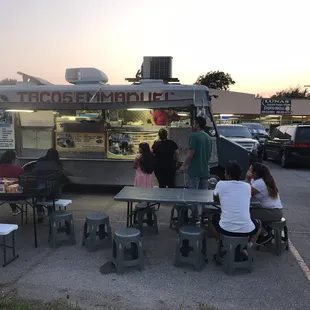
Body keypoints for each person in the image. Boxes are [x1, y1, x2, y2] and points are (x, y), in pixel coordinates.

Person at [212, 163, 261, 261]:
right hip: (247, 230)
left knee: (212, 218)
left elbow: (215, 198)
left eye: (225, 173)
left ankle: (221, 243)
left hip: (226, 229)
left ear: (228, 175)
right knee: (258, 223)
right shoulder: (247, 186)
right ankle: (247, 246)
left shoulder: (221, 184)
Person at [245, 162, 283, 245]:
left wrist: (247, 178)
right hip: (272, 210)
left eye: (249, 170)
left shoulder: (260, 183)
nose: (248, 171)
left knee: (245, 214)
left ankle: (265, 234)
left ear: (254, 173)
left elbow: (246, 193)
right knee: (248, 212)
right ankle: (263, 231)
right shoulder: (259, 180)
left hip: (273, 212)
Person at [180, 116, 212, 189]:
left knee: (193, 196)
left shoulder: (194, 136)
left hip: (194, 171)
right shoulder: (208, 137)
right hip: (205, 171)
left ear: (198, 125)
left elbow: (191, 153)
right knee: (203, 196)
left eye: (194, 124)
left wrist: (184, 165)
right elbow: (209, 154)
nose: (193, 126)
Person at [33, 149, 63, 221]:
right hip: (52, 188)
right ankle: (51, 214)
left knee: (38, 198)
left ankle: (40, 213)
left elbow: (34, 172)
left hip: (39, 186)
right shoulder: (57, 163)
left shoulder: (40, 160)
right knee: (50, 198)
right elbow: (60, 175)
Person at [0, 150, 24, 215]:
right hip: (17, 196)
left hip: (1, 195)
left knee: (7, 189)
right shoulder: (19, 169)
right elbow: (23, 182)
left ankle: (15, 210)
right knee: (12, 189)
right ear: (13, 160)